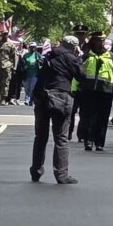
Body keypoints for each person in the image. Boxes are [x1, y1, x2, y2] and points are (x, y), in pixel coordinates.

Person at [32, 36, 85, 184]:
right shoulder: (71, 58)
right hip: (61, 97)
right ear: (74, 47)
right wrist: (79, 57)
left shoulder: (50, 54)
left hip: (42, 96)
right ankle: (61, 175)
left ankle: (36, 171)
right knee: (61, 138)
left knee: (40, 137)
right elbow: (82, 75)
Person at [76, 30, 113, 149]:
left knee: (102, 118)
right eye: (99, 40)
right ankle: (88, 140)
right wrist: (74, 87)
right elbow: (77, 72)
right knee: (88, 116)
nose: (101, 42)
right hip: (88, 91)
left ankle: (99, 143)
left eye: (103, 40)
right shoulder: (86, 56)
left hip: (106, 91)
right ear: (93, 41)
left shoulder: (111, 56)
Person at [0, 35, 19, 105]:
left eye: (5, 35)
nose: (4, 37)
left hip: (7, 66)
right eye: (3, 35)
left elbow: (15, 56)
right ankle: (1, 94)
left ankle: (3, 98)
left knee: (6, 83)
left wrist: (14, 67)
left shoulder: (11, 45)